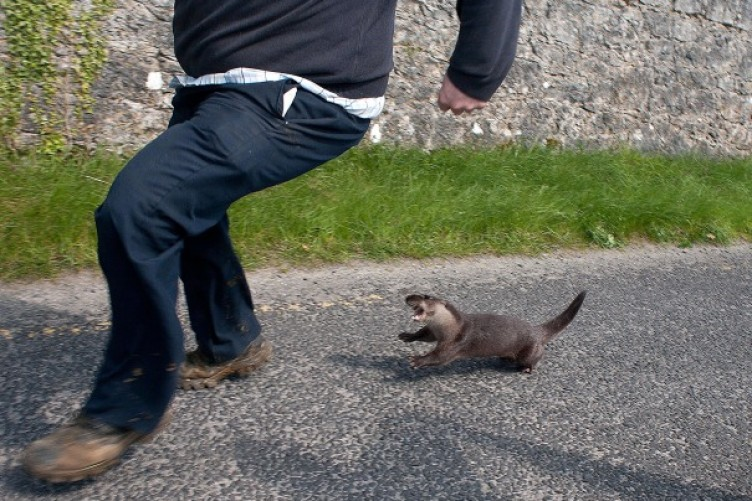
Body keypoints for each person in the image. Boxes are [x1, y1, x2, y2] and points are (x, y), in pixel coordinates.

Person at [21, 0, 522, 483]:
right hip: (214, 85)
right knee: (187, 208)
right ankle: (231, 340)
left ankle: (124, 408)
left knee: (142, 207)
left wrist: (478, 66)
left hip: (302, 88)